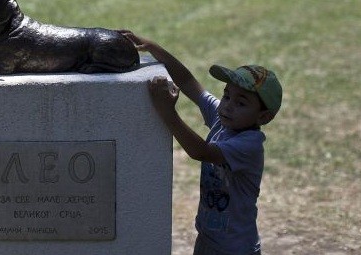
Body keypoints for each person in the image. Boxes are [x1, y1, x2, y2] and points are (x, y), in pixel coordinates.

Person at [120, 31, 282, 255]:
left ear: (263, 117)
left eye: (241, 103)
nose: (228, 106)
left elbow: (200, 151)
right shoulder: (223, 119)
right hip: (208, 239)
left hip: (236, 249)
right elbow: (187, 81)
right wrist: (155, 48)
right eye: (226, 96)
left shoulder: (249, 145)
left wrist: (167, 111)